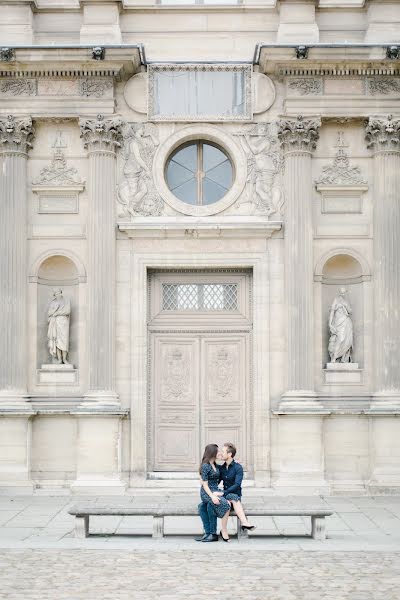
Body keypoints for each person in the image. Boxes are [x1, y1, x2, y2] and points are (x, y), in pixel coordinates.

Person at [218, 442, 255, 541]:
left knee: (230, 501)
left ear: (230, 454)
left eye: (223, 451)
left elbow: (237, 485)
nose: (221, 453)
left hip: (234, 495)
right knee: (228, 503)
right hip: (225, 495)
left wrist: (224, 493)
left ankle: (224, 530)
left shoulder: (238, 467)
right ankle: (244, 523)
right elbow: (216, 481)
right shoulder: (221, 468)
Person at [196, 444, 231, 543]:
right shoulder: (206, 466)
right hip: (207, 492)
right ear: (212, 453)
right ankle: (212, 534)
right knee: (220, 503)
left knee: (202, 506)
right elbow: (205, 485)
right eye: (217, 451)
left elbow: (225, 467)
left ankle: (209, 534)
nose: (219, 453)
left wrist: (232, 462)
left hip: (215, 490)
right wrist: (212, 496)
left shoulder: (215, 465)